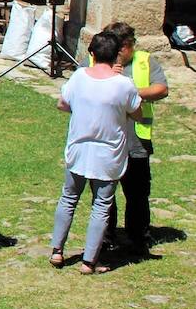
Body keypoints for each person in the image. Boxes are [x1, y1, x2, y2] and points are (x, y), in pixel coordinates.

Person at [50, 31, 142, 275]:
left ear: (92, 54)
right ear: (117, 56)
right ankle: (89, 261)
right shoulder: (123, 84)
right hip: (108, 153)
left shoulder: (79, 77)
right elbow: (137, 112)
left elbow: (62, 103)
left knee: (68, 198)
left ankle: (57, 250)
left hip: (79, 148)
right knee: (101, 205)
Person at [100, 21, 168, 255]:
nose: (119, 54)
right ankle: (105, 237)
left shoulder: (145, 61)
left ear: (130, 45)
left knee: (138, 193)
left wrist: (129, 92)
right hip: (105, 139)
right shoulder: (97, 59)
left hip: (136, 139)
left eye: (122, 48)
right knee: (104, 192)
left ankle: (138, 237)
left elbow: (161, 89)